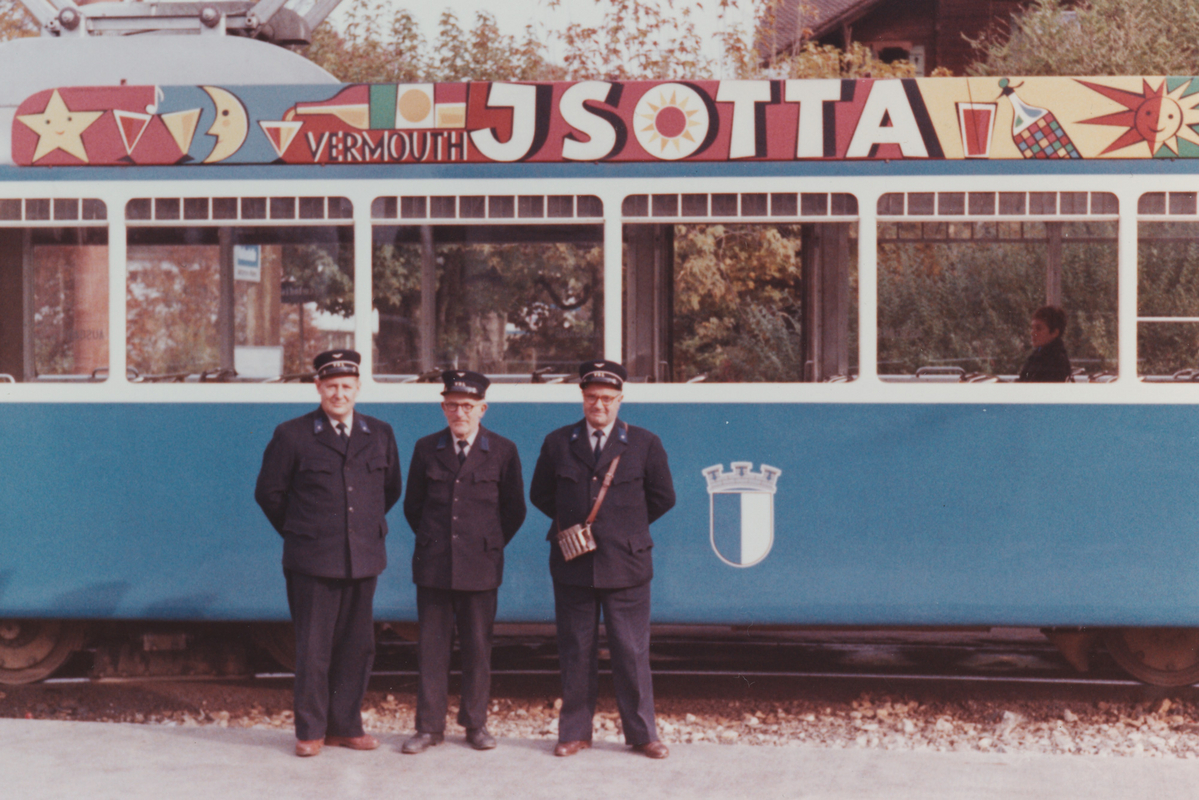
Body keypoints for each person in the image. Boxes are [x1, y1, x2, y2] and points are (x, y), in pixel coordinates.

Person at [254, 349, 401, 757]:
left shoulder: (380, 433)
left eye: (346, 387)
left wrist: (359, 531)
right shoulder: (293, 434)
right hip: (312, 559)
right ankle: (311, 731)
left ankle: (346, 726)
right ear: (318, 387)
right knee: (314, 647)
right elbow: (269, 493)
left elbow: (389, 490)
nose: (339, 394)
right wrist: (304, 532)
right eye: (331, 386)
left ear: (358, 389)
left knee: (358, 647)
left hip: (362, 557)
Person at [529, 360, 676, 759]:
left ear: (621, 400)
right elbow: (541, 494)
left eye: (608, 398)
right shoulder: (558, 442)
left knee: (631, 652)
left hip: (626, 564)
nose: (600, 405)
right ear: (582, 397)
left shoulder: (644, 442)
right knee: (576, 650)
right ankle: (575, 733)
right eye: (592, 397)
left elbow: (664, 497)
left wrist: (623, 530)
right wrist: (574, 528)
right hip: (574, 562)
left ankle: (644, 734)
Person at [400, 370, 526, 754]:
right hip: (435, 563)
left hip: (480, 565)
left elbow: (514, 510)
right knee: (432, 650)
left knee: (477, 649)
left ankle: (475, 724)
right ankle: (428, 728)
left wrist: (486, 544)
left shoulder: (503, 451)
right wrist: (439, 541)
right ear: (443, 408)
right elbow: (413, 506)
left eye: (468, 406)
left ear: (482, 409)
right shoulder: (426, 449)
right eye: (452, 405)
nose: (460, 413)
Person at [1017, 305, 1072, 382]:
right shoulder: (1036, 357)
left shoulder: (1055, 362)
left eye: (1038, 329)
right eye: (1032, 328)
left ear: (1054, 333)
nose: (1032, 333)